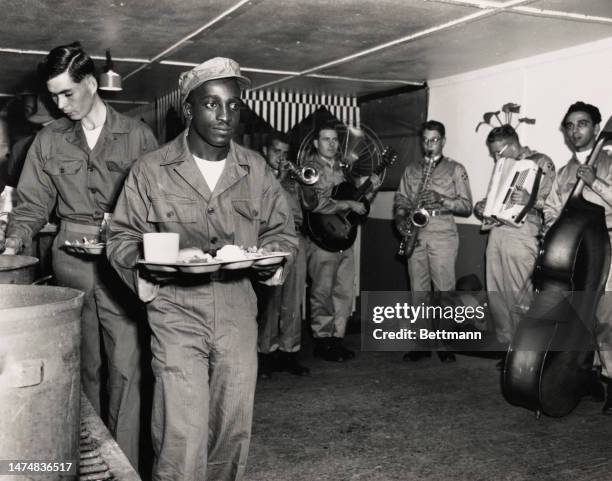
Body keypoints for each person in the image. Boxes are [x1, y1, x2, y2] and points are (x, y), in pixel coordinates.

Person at [106, 57, 298, 480]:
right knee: (181, 431)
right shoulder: (151, 170)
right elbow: (119, 238)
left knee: (233, 426)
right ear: (188, 109)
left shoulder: (256, 169)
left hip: (237, 308)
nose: (224, 115)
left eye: (232, 105)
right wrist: (146, 268)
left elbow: (283, 231)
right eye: (211, 103)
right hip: (175, 309)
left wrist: (271, 263)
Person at [1, 42, 158, 467]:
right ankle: (85, 455)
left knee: (127, 366)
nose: (59, 103)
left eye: (67, 93)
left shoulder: (138, 135)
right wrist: (14, 242)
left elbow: (156, 204)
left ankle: (121, 461)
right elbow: (32, 205)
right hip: (70, 256)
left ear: (91, 83)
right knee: (81, 367)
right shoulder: (48, 140)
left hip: (123, 258)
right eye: (53, 95)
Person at [543, 101, 612, 414]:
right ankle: (586, 379)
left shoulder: (610, 161)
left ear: (596, 129)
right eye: (569, 126)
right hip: (574, 254)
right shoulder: (564, 170)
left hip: (607, 249)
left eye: (582, 124)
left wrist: (595, 180)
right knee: (578, 319)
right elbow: (552, 210)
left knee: (606, 321)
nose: (575, 131)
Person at [474, 125, 555, 364]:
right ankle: (510, 349)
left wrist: (531, 201)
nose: (496, 157)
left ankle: (529, 354)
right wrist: (482, 206)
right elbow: (496, 197)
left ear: (511, 144)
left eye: (498, 152)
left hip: (523, 232)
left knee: (522, 295)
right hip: (497, 232)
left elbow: (552, 201)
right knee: (497, 293)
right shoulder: (502, 165)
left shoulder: (540, 161)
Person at [302, 121, 381, 362]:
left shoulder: (343, 169)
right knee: (322, 291)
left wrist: (371, 190)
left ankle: (337, 339)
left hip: (345, 239)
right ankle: (322, 340)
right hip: (322, 239)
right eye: (326, 139)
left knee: (344, 291)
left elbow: (356, 203)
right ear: (316, 143)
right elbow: (313, 204)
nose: (332, 144)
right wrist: (348, 204)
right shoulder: (309, 169)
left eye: (335, 140)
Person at [394, 120, 473, 363]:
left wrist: (442, 199)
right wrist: (399, 217)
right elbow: (402, 198)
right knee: (418, 292)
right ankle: (421, 343)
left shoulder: (455, 169)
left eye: (434, 140)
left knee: (444, 292)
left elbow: (467, 206)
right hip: (416, 234)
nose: (429, 144)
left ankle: (445, 343)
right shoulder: (411, 169)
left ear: (443, 141)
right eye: (426, 140)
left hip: (443, 232)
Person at [256, 131, 310, 378]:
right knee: (271, 300)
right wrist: (279, 179)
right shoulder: (258, 174)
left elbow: (310, 203)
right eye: (276, 151)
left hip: (296, 239)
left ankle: (290, 352)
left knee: (293, 300)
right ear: (266, 151)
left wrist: (300, 180)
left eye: (285, 153)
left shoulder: (293, 178)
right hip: (270, 240)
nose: (281, 157)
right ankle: (265, 353)